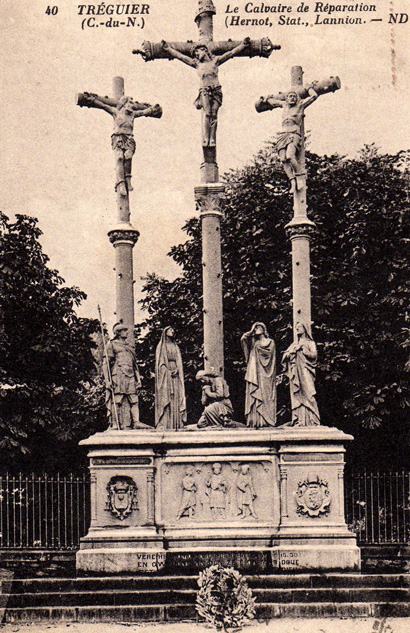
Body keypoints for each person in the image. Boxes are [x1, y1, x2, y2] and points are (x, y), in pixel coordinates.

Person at [161, 38, 251, 148]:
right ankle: (206, 138)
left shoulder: (215, 61)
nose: (196, 55)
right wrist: (168, 49)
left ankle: (212, 138)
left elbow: (230, 53)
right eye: (194, 54)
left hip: (217, 90)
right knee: (207, 113)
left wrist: (243, 45)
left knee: (214, 114)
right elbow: (181, 57)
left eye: (197, 52)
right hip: (205, 91)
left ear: (204, 50)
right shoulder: (197, 64)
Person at [80, 92, 161, 195]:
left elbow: (144, 112)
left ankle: (128, 179)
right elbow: (104, 106)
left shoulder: (132, 114)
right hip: (118, 137)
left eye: (132, 104)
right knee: (119, 158)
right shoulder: (116, 112)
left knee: (128, 156)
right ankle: (120, 183)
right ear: (124, 104)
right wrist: (92, 100)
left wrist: (152, 109)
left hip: (129, 138)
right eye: (130, 103)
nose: (132, 106)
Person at [263, 88, 318, 193]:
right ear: (286, 99)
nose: (292, 98)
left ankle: (299, 178)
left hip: (293, 133)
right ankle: (292, 182)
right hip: (283, 134)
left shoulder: (300, 106)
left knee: (290, 156)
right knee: (283, 159)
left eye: (294, 96)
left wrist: (309, 88)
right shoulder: (284, 106)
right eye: (290, 96)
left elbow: (314, 96)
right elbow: (273, 102)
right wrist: (266, 99)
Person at [103, 323, 151, 430]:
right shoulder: (112, 344)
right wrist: (107, 380)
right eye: (124, 330)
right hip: (118, 374)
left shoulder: (130, 347)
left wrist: (138, 378)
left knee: (134, 399)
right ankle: (115, 424)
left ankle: (136, 422)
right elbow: (106, 364)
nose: (127, 332)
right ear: (118, 333)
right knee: (118, 399)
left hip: (130, 375)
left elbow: (135, 366)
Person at [281, 321, 320, 426]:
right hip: (296, 373)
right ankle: (299, 420)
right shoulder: (294, 344)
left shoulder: (309, 343)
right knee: (297, 396)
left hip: (306, 370)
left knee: (309, 393)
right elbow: (284, 357)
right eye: (296, 327)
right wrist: (291, 352)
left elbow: (314, 355)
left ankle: (313, 420)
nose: (297, 329)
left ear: (305, 329)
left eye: (299, 327)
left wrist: (303, 349)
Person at [241, 322, 276, 428]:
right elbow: (243, 339)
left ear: (264, 329)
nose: (257, 329)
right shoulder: (254, 343)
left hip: (266, 373)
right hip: (255, 372)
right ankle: (255, 421)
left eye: (259, 327)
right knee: (255, 394)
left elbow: (271, 357)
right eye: (255, 328)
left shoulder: (271, 342)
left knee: (267, 395)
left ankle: (267, 420)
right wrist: (251, 332)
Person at [155, 327, 187, 430]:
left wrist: (177, 369)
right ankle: (165, 423)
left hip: (175, 374)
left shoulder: (175, 346)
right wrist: (168, 372)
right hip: (166, 375)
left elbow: (178, 362)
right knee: (167, 396)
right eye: (170, 330)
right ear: (165, 332)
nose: (173, 331)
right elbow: (160, 364)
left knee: (176, 397)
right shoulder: (161, 346)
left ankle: (177, 423)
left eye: (173, 330)